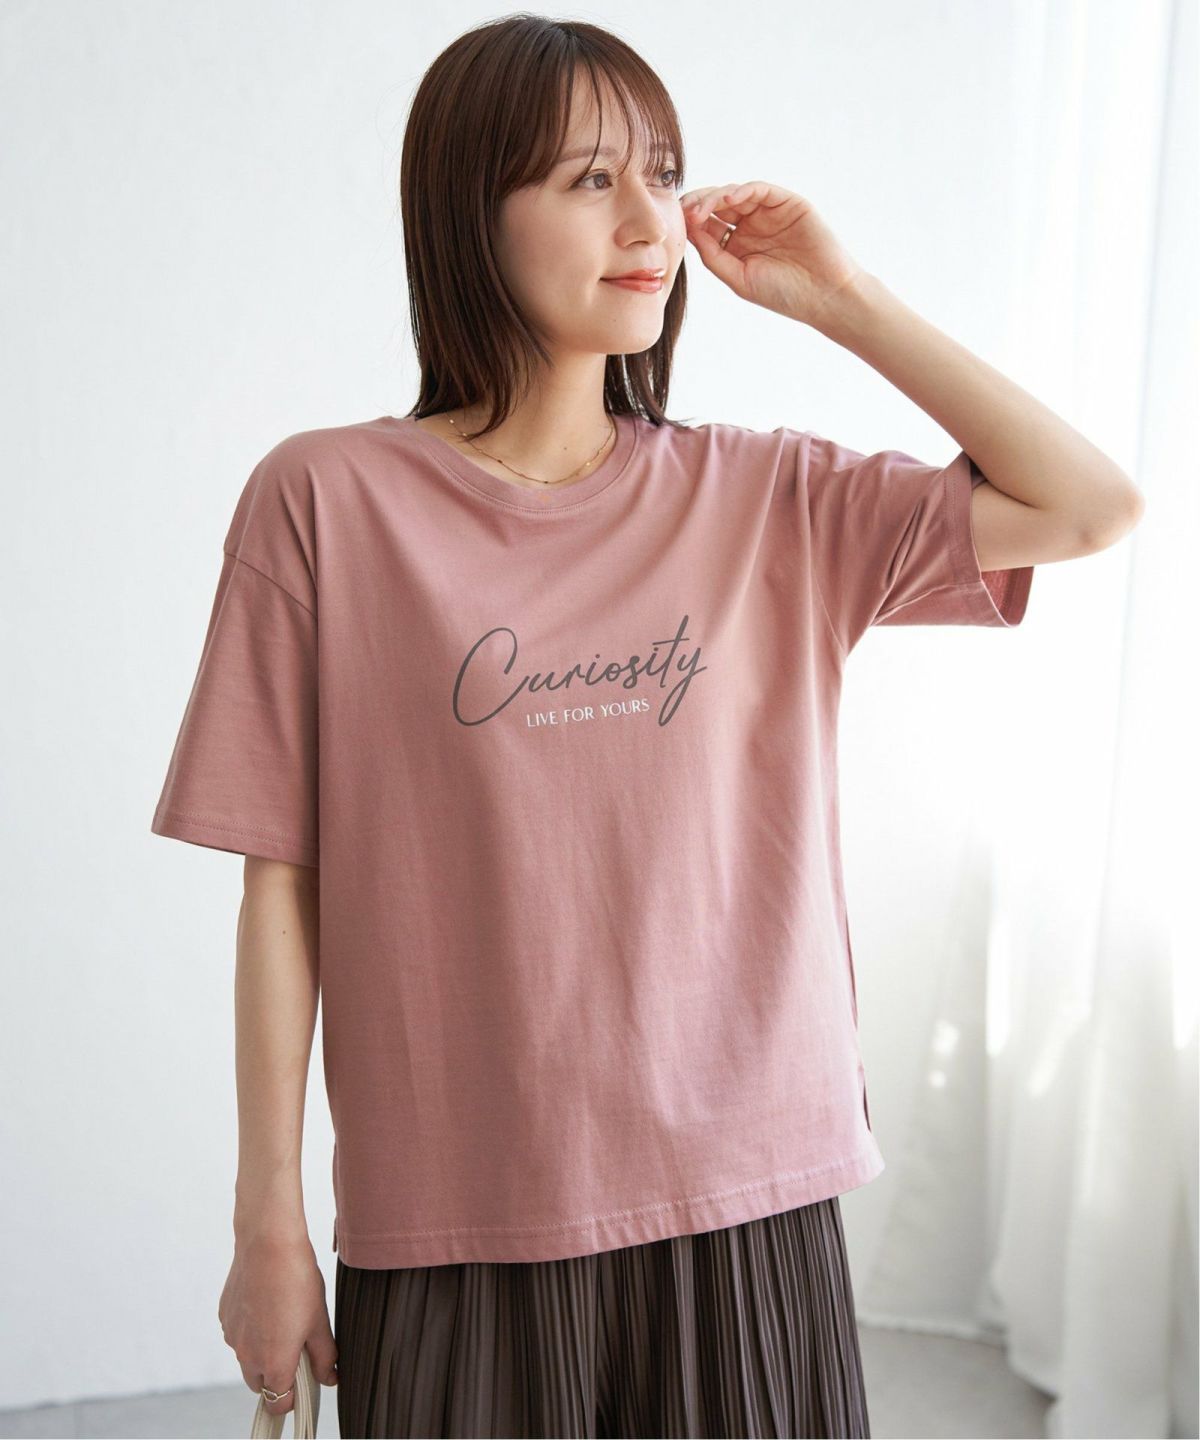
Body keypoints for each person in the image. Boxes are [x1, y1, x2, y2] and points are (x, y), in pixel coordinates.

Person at [149, 14, 1144, 1440]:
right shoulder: (325, 503)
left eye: (661, 173)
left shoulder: (770, 500)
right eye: (586, 179)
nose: (648, 220)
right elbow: (281, 884)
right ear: (468, 213)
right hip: (462, 1214)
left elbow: (1091, 505)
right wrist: (268, 1226)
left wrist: (844, 299)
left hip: (752, 1194)